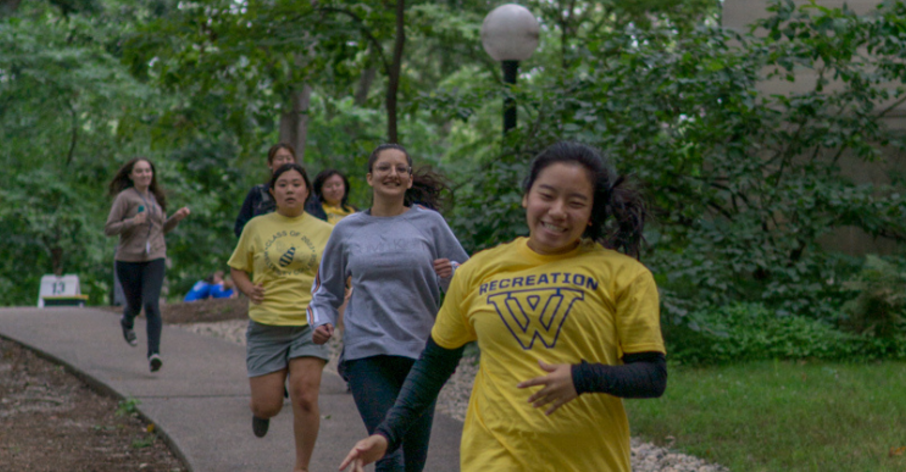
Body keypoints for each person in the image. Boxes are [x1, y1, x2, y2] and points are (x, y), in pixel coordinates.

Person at [337, 141, 667, 472]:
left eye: (576, 202)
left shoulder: (624, 275)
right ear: (527, 196)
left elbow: (652, 376)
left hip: (588, 459)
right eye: (547, 195)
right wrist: (387, 434)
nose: (557, 211)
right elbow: (435, 364)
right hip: (493, 457)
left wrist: (583, 377)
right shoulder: (480, 270)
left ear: (593, 212)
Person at [308, 144, 469, 472]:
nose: (392, 174)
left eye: (400, 169)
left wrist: (452, 273)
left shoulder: (431, 224)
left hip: (422, 354)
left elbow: (471, 284)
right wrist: (321, 321)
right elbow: (326, 289)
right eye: (384, 168)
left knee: (412, 461)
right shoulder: (347, 229)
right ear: (370, 177)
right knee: (388, 456)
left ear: (410, 180)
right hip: (367, 352)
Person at [228, 163, 335, 471]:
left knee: (304, 396)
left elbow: (340, 271)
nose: (290, 189)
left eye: (297, 184)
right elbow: (237, 267)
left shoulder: (326, 231)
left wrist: (344, 295)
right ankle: (260, 411)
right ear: (273, 192)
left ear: (307, 192)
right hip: (266, 324)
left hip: (309, 323)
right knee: (269, 404)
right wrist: (248, 288)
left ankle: (301, 467)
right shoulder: (256, 226)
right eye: (283, 185)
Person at [104, 157, 191, 373]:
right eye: (140, 171)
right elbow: (109, 228)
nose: (145, 175)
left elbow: (161, 229)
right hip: (128, 259)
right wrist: (131, 222)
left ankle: (154, 353)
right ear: (131, 175)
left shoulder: (156, 197)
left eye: (148, 171)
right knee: (134, 305)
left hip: (155, 257)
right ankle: (127, 320)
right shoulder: (125, 198)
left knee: (151, 304)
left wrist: (176, 218)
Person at [234, 143, 326, 237]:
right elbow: (240, 227)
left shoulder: (305, 194)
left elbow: (321, 223)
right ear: (270, 164)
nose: (284, 162)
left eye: (288, 158)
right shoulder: (258, 192)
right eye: (280, 158)